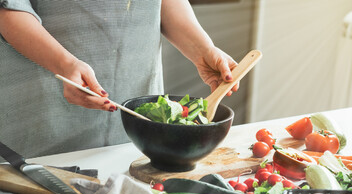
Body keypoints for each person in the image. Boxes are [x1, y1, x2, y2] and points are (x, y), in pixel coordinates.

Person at [0, 0, 239, 158]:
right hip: (45, 111)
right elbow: (8, 8)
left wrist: (203, 49)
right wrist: (64, 64)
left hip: (139, 119)